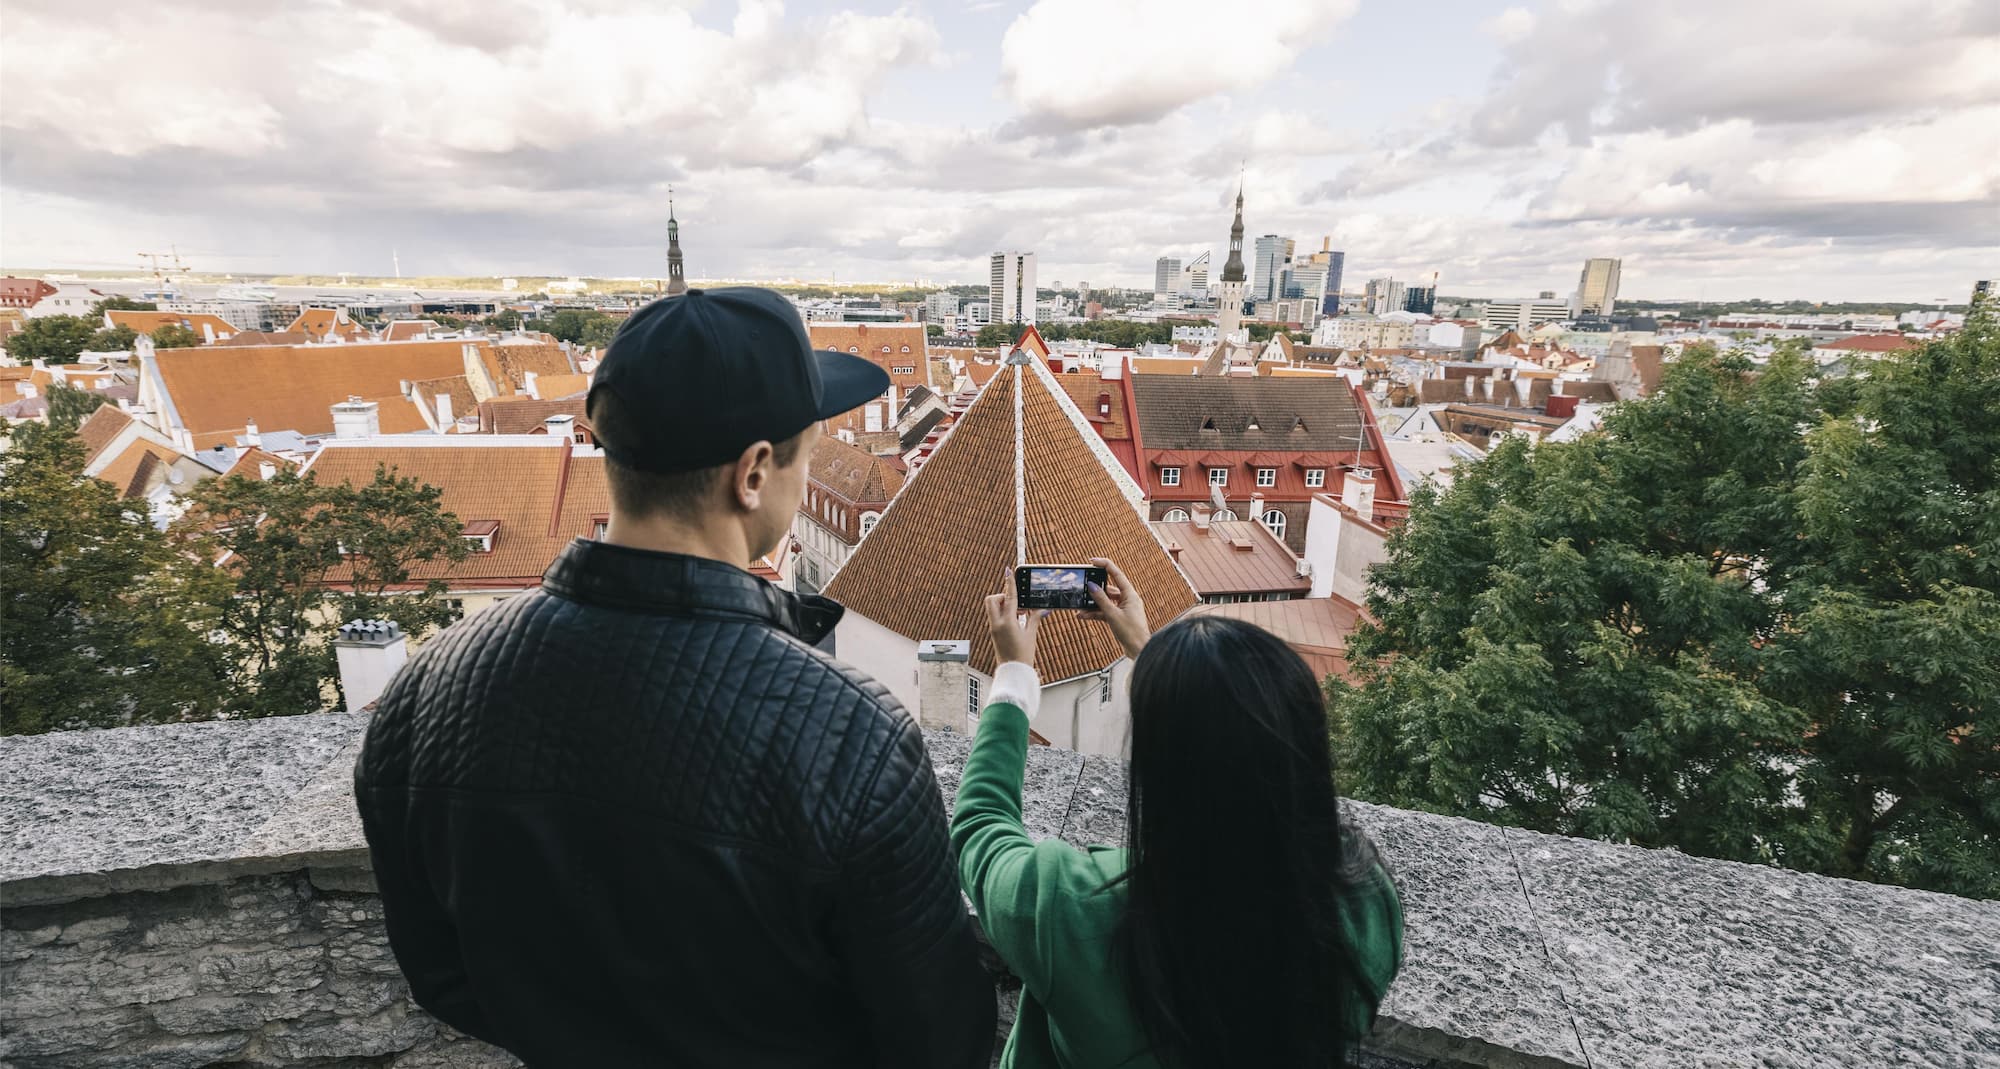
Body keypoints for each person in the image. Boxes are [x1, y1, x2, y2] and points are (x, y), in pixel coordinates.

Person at [354, 287, 995, 1067]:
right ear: (753, 473)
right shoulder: (852, 741)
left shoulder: (426, 691)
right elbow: (942, 1039)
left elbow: (439, 973)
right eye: (805, 450)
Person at [954, 558, 1403, 1068]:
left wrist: (1013, 681)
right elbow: (1235, 757)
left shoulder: (1071, 908)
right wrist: (1157, 663)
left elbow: (979, 828)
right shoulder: (1365, 905)